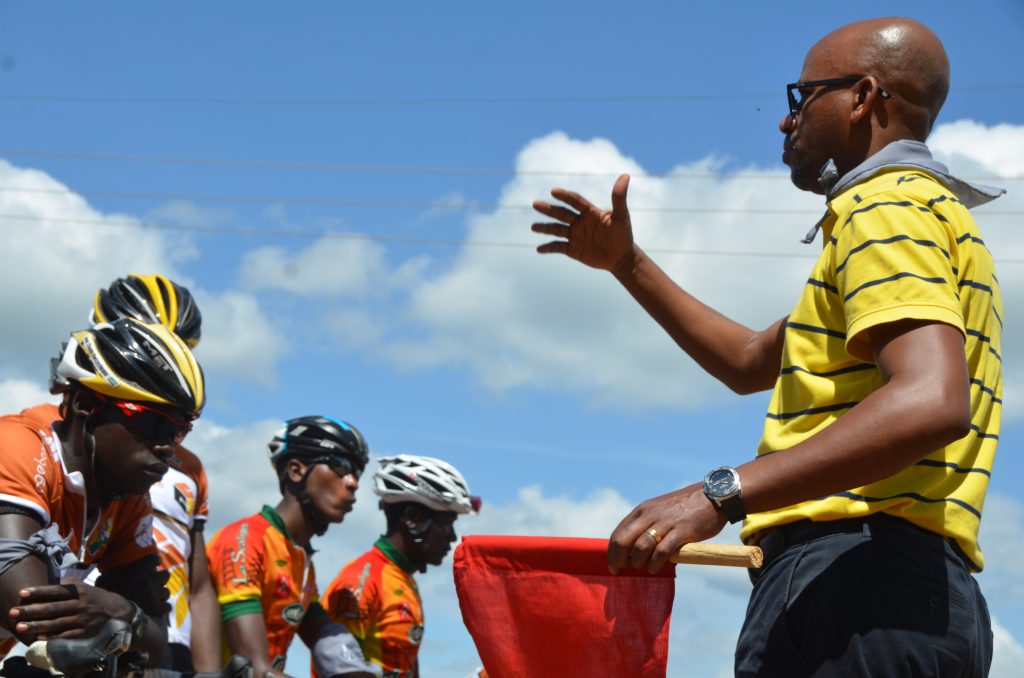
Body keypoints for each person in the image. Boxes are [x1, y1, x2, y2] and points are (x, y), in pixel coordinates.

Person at [532, 17, 1002, 677]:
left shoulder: (883, 211)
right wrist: (627, 264)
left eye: (801, 98)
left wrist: (719, 494)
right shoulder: (932, 218)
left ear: (863, 97)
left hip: (856, 585)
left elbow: (931, 399)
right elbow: (750, 361)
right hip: (911, 596)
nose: (787, 123)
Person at [0, 318, 206, 666]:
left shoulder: (129, 500)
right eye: (154, 423)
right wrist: (127, 614)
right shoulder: (16, 448)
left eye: (178, 432)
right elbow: (33, 617)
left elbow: (157, 647)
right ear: (84, 404)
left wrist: (120, 610)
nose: (167, 447)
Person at [88, 273, 219, 672]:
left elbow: (199, 586)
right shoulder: (77, 440)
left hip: (166, 640)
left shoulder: (191, 467)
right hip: (89, 630)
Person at [205, 417, 377, 678]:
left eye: (357, 473)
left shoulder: (299, 558)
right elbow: (255, 670)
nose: (353, 483)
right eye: (341, 467)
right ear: (296, 471)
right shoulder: (245, 541)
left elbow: (327, 639)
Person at [320, 454, 480, 678]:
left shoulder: (403, 581)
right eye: (447, 524)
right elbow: (336, 670)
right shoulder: (362, 580)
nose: (453, 537)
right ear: (412, 518)